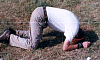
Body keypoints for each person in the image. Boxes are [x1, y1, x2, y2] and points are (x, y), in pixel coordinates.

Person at [0, 7, 91, 51]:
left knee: (35, 35)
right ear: (75, 37)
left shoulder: (76, 23)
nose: (72, 42)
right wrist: (81, 45)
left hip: (41, 13)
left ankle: (13, 32)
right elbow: (65, 47)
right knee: (32, 45)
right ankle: (9, 37)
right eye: (74, 41)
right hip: (40, 17)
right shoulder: (73, 30)